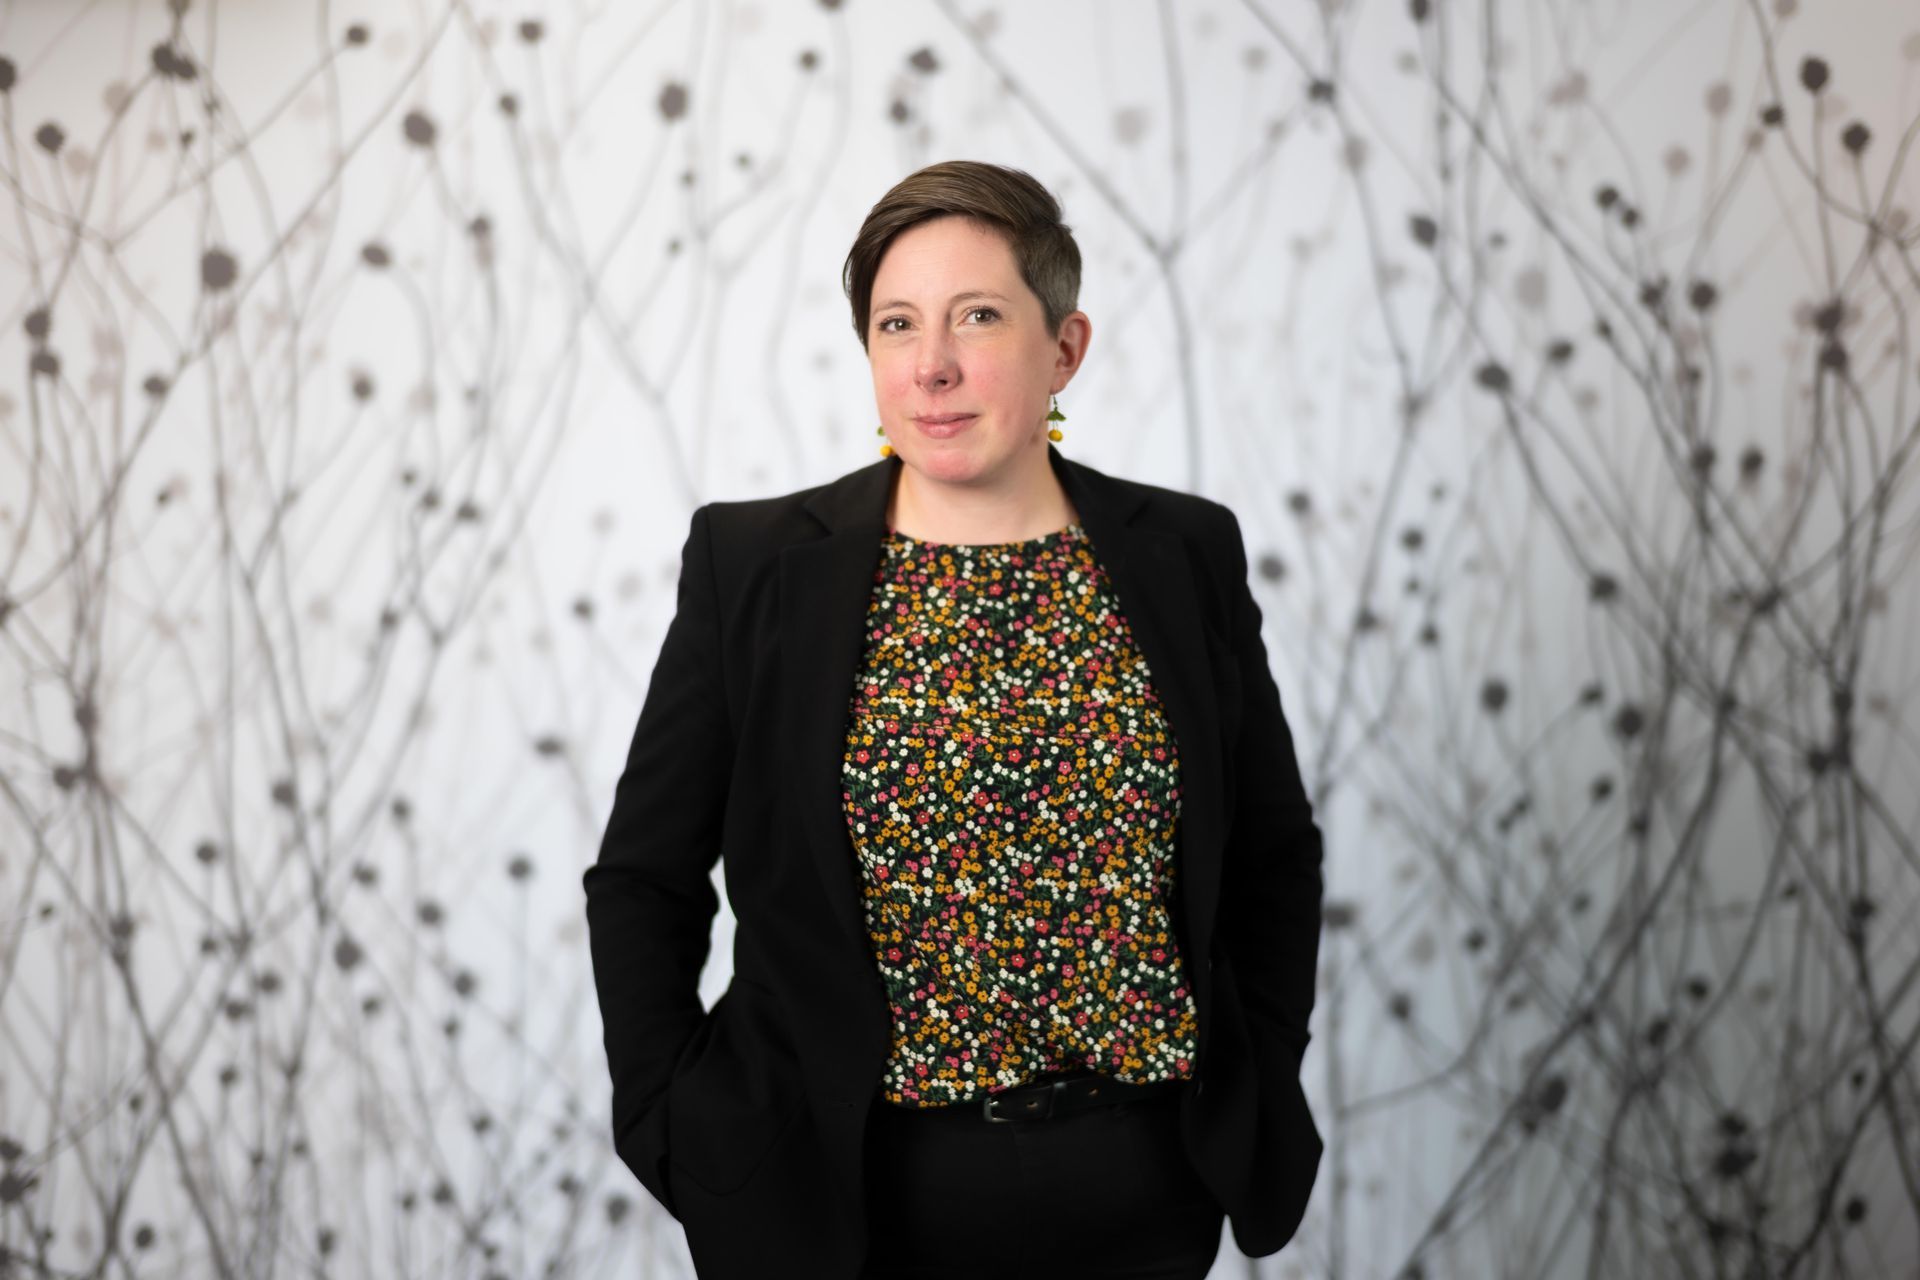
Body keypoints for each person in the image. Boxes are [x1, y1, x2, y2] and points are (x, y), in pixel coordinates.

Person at [582, 160, 1324, 1279]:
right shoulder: (755, 565)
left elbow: (1272, 853)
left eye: (977, 315)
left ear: (1066, 346)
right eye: (896, 324)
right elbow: (645, 875)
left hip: (1143, 1187)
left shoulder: (1184, 552)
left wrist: (1260, 1065)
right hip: (840, 1197)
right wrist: (671, 1120)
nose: (931, 365)